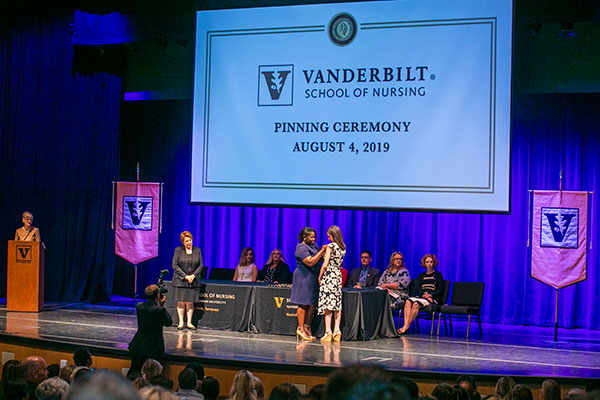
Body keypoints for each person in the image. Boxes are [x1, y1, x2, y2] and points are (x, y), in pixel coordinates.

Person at [290, 227, 327, 342]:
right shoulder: (301, 248)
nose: (313, 239)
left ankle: (307, 327)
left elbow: (319, 259)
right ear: (304, 237)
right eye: (311, 237)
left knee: (311, 304)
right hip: (303, 277)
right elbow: (310, 262)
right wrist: (321, 252)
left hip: (312, 278)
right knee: (303, 303)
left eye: (314, 237)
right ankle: (300, 329)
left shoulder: (313, 246)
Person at [128, 284, 173, 374]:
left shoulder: (139, 306)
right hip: (153, 347)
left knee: (134, 372)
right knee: (152, 374)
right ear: (157, 296)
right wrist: (162, 305)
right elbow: (169, 322)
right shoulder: (159, 310)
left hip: (138, 345)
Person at [397, 254, 444, 335]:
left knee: (415, 304)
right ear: (424, 264)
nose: (429, 264)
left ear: (434, 263)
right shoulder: (421, 276)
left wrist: (431, 295)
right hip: (422, 296)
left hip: (432, 298)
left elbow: (440, 289)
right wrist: (423, 295)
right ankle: (406, 325)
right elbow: (417, 288)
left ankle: (405, 327)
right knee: (408, 302)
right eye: (427, 262)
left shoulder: (438, 275)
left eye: (431, 262)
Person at [317, 225, 346, 343]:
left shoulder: (330, 247)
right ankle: (337, 331)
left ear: (333, 235)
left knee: (328, 305)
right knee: (336, 304)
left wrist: (320, 276)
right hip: (337, 276)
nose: (328, 239)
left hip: (329, 276)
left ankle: (328, 332)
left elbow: (325, 264)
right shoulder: (343, 247)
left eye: (329, 236)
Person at [172, 231, 203, 330]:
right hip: (181, 280)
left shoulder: (197, 250)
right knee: (181, 302)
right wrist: (185, 276)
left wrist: (193, 276)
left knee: (190, 302)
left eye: (190, 240)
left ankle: (189, 322)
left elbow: (200, 265)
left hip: (193, 280)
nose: (189, 243)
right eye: (187, 241)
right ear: (183, 242)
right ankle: (181, 322)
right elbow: (175, 266)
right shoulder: (178, 250)